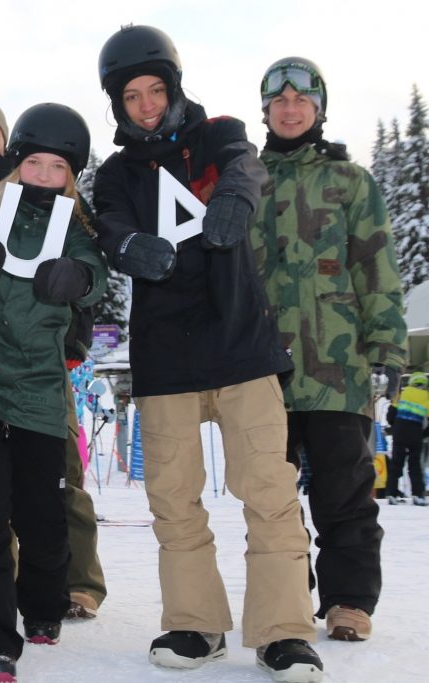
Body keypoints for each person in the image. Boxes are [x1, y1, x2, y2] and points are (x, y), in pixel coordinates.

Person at [92, 25, 322, 682]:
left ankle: (283, 632)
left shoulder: (215, 133)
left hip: (241, 341)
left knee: (270, 492)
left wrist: (233, 196)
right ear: (117, 101)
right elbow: (107, 222)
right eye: (130, 95)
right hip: (165, 354)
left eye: (154, 90)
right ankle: (196, 623)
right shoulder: (115, 172)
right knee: (173, 495)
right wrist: (125, 245)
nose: (145, 105)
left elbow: (247, 163)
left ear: (174, 85)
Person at [0, 102, 108, 683]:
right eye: (33, 162)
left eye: (56, 168)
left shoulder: (75, 228)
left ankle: (43, 604)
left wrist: (79, 279)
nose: (42, 175)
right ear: (15, 163)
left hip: (37, 390)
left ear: (69, 178)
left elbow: (95, 271)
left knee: (42, 513)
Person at [251, 56, 407, 643]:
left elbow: (377, 270)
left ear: (318, 108)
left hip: (338, 369)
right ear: (265, 109)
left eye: (302, 101)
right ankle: (287, 596)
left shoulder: (351, 181)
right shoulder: (247, 178)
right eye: (279, 101)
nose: (291, 110)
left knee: (345, 491)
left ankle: (348, 602)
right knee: (271, 494)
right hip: (264, 371)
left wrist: (388, 347)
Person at [386, 372, 429, 505]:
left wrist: (396, 427)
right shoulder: (427, 397)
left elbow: (390, 416)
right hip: (416, 434)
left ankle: (391, 494)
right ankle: (418, 495)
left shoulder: (401, 395)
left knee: (396, 463)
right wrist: (423, 435)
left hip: (399, 433)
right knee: (415, 465)